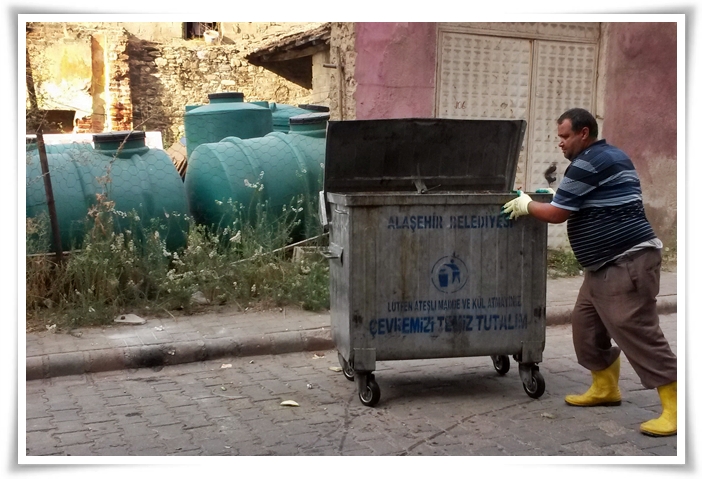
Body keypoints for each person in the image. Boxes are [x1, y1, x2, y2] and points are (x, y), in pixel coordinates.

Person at [502, 107, 677, 437]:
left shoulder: (589, 162)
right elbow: (582, 200)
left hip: (627, 261)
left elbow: (557, 214)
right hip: (602, 266)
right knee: (586, 328)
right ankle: (606, 388)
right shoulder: (606, 157)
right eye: (559, 138)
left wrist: (526, 205)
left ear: (584, 133)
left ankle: (677, 406)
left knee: (636, 330)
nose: (561, 144)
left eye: (565, 136)